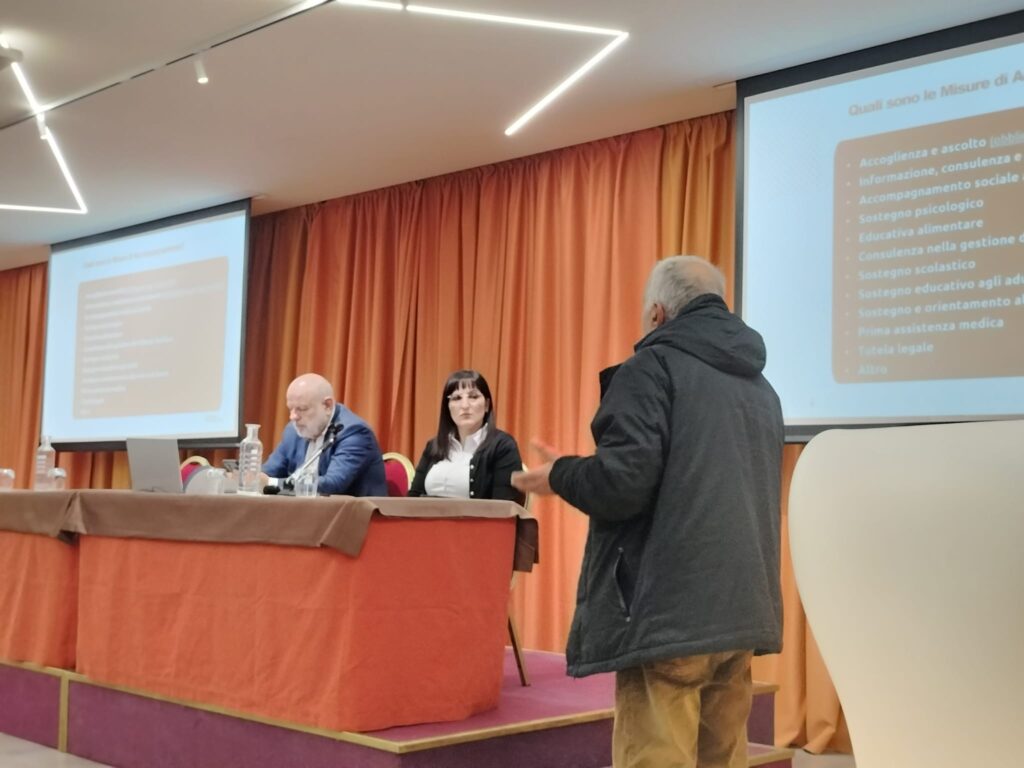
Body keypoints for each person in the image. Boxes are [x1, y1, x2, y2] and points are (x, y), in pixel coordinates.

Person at [512, 256, 783, 768]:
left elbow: (621, 485)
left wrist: (561, 475)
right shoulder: (760, 388)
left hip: (668, 612)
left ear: (657, 312)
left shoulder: (650, 369)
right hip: (743, 608)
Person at [408, 369, 525, 506]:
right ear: (448, 407)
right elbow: (412, 499)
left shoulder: (503, 446)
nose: (465, 406)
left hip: (478, 520)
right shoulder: (434, 445)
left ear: (487, 405)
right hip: (427, 519)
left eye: (473, 397)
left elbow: (505, 507)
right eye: (457, 398)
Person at [261, 373, 387, 496]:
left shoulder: (354, 433)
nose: (293, 417)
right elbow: (269, 472)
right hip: (305, 508)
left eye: (302, 409)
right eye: (290, 409)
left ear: (327, 405)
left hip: (353, 509)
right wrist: (255, 478)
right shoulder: (293, 431)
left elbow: (333, 485)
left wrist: (272, 483)